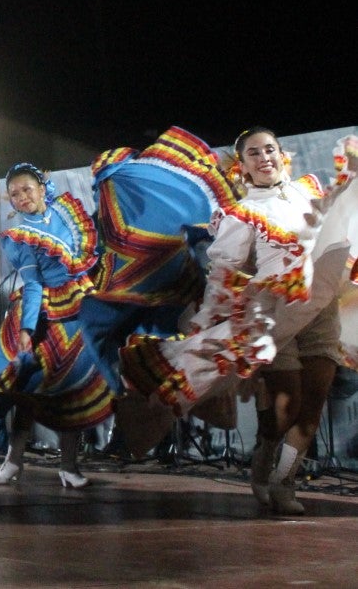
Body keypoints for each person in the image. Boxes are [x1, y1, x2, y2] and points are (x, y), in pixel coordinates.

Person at [121, 129, 358, 514]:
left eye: (269, 149)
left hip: (322, 308)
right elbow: (224, 273)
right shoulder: (243, 214)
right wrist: (210, 323)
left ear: (282, 154)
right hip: (273, 317)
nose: (264, 157)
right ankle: (263, 461)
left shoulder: (309, 188)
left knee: (312, 403)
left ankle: (285, 483)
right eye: (253, 153)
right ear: (243, 165)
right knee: (286, 406)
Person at [0, 163, 110, 488]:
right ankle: (13, 460)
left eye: (27, 189)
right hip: (43, 314)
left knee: (72, 391)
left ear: (42, 188)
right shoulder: (21, 237)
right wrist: (28, 328)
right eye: (14, 194)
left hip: (79, 310)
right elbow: (32, 284)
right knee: (28, 391)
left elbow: (91, 260)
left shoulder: (67, 215)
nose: (21, 197)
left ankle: (69, 466)